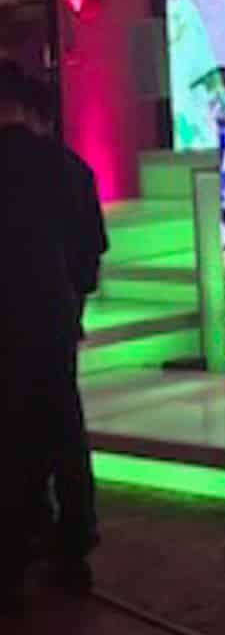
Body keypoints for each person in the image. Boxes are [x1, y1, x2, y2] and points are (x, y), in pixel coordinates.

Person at [0, 65, 97, 606]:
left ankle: (14, 555)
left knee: (11, 434)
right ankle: (74, 542)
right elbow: (89, 257)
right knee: (63, 428)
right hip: (54, 318)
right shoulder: (70, 168)